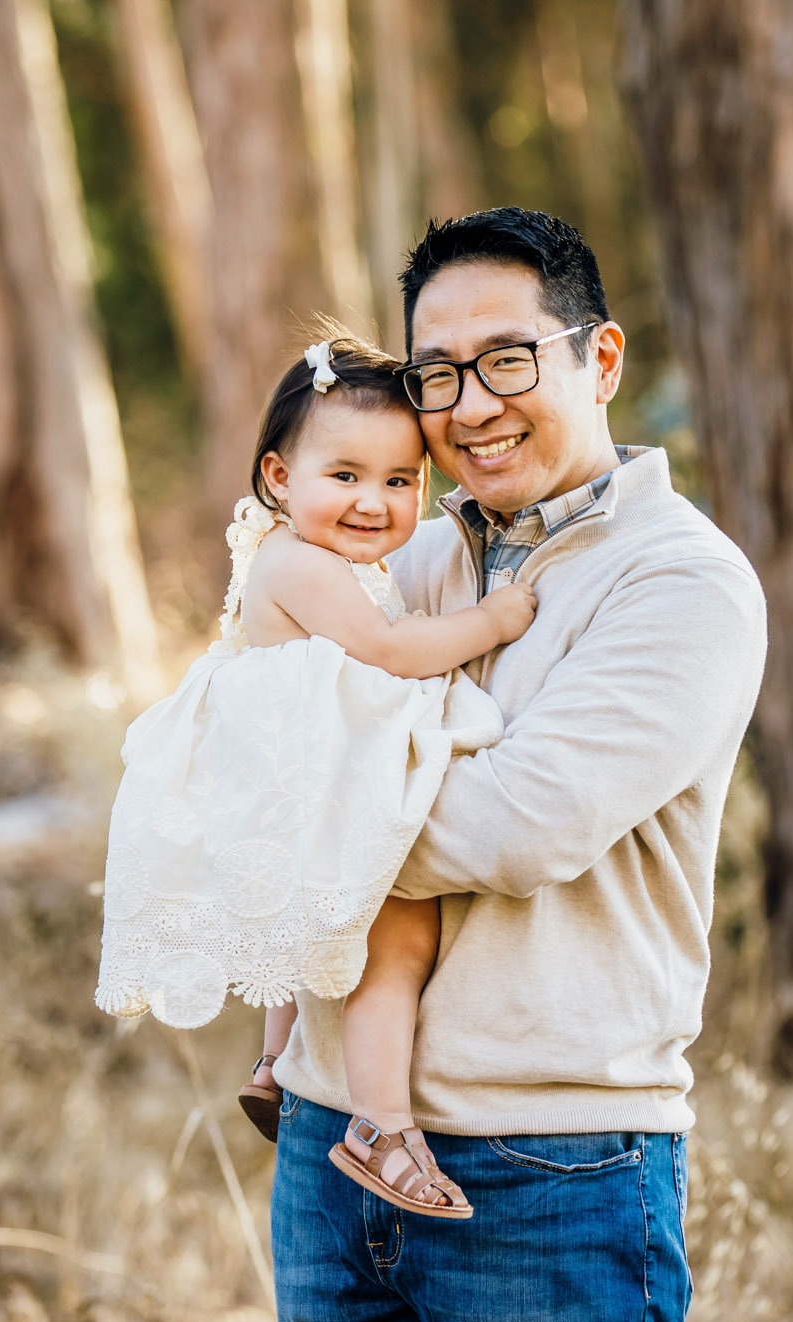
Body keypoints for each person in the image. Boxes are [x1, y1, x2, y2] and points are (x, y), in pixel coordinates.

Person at [266, 208, 769, 1322]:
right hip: (326, 1141)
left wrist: (290, 801)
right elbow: (246, 721)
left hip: (548, 1167)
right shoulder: (404, 551)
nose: (471, 406)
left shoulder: (680, 583)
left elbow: (513, 828)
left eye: (505, 359)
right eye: (436, 374)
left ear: (600, 359)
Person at [94, 330, 537, 1220]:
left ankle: (275, 1060)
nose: (375, 501)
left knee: (309, 928)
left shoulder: (323, 558)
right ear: (277, 478)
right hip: (307, 774)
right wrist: (493, 619)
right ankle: (381, 1125)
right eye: (346, 475)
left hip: (299, 771)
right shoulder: (298, 561)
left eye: (400, 480)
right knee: (399, 935)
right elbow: (388, 649)